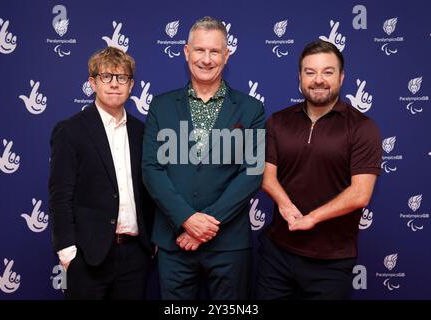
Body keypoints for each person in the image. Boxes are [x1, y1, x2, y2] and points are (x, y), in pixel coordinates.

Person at [142, 16, 265, 300]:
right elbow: (152, 169)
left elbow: (252, 172)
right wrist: (186, 218)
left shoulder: (251, 108)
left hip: (229, 243)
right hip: (174, 242)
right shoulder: (161, 106)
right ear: (186, 52)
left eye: (214, 51)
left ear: (226, 55)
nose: (206, 59)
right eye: (200, 50)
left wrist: (203, 225)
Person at [256, 40, 381, 300]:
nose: (318, 80)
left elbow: (360, 194)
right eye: (310, 72)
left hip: (331, 261)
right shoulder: (277, 121)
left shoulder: (362, 128)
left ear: (342, 76)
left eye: (328, 71)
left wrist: (312, 218)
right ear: (300, 77)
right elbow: (266, 175)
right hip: (277, 254)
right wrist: (284, 203)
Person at [49, 47, 154, 299]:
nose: (114, 84)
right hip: (88, 256)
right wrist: (67, 251)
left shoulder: (143, 132)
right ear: (93, 83)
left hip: (135, 255)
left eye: (122, 78)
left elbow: (150, 189)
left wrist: (152, 243)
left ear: (131, 85)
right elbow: (60, 194)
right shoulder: (71, 130)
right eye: (106, 77)